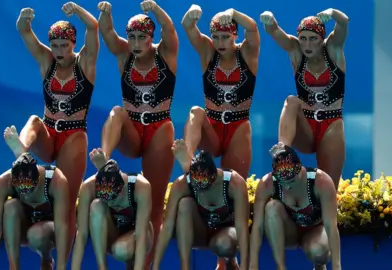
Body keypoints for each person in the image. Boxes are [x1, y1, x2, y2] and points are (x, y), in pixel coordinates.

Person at [4, 1, 99, 256]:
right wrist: (24, 20)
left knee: (66, 203)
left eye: (64, 46)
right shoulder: (47, 61)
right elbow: (25, 33)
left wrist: (78, 10)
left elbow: (94, 26)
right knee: (35, 120)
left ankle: (57, 261)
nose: (58, 51)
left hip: (74, 134)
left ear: (73, 45)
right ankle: (22, 151)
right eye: (55, 45)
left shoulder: (85, 63)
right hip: (48, 132)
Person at [96, 0, 178, 263]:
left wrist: (155, 10)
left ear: (151, 38)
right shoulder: (124, 55)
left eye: (142, 37)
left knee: (154, 205)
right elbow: (107, 34)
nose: (135, 43)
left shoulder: (165, 54)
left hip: (158, 127)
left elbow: (169, 28)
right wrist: (105, 14)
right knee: (116, 112)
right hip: (132, 128)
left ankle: (147, 263)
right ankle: (105, 162)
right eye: (131, 37)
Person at [259, 9, 349, 188]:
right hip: (306, 126)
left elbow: (344, 22)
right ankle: (282, 150)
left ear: (322, 39)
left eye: (313, 39)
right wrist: (269, 21)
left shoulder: (333, 49)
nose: (307, 44)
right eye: (303, 39)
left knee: (329, 188)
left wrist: (332, 12)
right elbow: (275, 32)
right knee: (292, 101)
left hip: (331, 126)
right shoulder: (296, 51)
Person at [177, 4, 260, 180]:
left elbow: (252, 28)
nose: (220, 43)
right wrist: (193, 9)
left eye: (225, 37)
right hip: (212, 128)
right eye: (215, 37)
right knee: (196, 112)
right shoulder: (208, 51)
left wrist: (233, 12)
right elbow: (187, 26)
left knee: (234, 182)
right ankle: (188, 161)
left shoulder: (247, 53)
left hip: (238, 128)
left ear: (235, 35)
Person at [152, 140, 250, 270]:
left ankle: (229, 260)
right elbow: (167, 226)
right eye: (197, 184)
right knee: (184, 204)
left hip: (224, 235)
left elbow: (242, 227)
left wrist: (246, 266)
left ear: (215, 176)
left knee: (225, 243)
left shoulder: (234, 183)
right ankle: (185, 267)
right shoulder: (182, 184)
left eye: (206, 185)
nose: (202, 190)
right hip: (199, 232)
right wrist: (156, 265)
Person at [249, 143, 340, 270]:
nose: (287, 186)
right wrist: (252, 265)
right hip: (289, 232)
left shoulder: (321, 181)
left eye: (292, 180)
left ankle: (319, 265)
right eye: (283, 182)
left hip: (315, 230)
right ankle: (280, 267)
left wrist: (337, 267)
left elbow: (331, 226)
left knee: (319, 252)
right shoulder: (267, 184)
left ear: (300, 168)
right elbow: (257, 228)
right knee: (271, 207)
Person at [0, 153, 70, 270]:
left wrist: (61, 267)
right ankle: (14, 267)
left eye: (29, 186)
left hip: (49, 232)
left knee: (36, 234)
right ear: (13, 180)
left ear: (38, 179)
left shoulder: (56, 180)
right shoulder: (4, 182)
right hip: (24, 229)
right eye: (20, 186)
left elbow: (62, 226)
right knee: (10, 206)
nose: (24, 191)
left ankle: (46, 258)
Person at [71, 155, 153, 270]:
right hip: (111, 237)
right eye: (107, 201)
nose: (111, 204)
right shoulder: (89, 187)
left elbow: (141, 234)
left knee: (122, 249)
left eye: (114, 200)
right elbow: (82, 234)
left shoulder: (140, 186)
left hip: (137, 235)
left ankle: (132, 264)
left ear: (122, 188)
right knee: (96, 206)